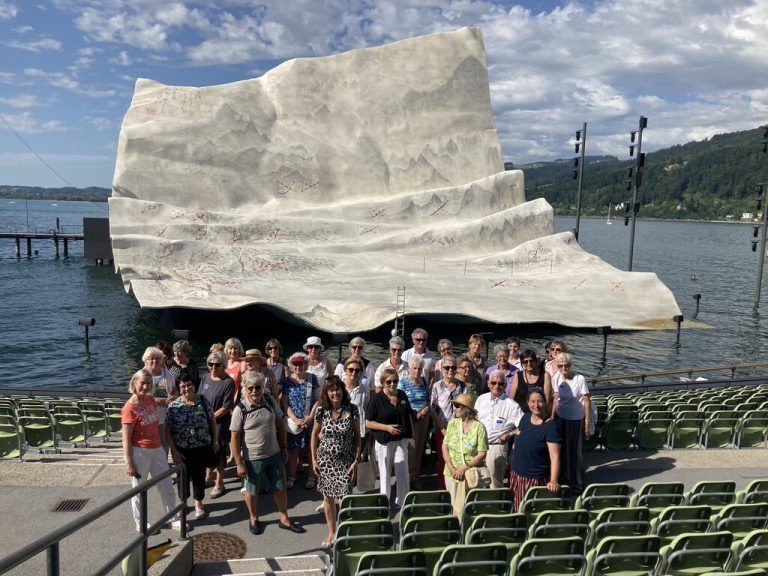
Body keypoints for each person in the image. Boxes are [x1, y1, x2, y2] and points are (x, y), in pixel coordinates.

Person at [231, 371, 306, 535]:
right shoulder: (240, 409)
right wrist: (238, 463)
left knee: (280, 488)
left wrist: (284, 448)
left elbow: (280, 424)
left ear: (263, 387)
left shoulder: (270, 401)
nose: (254, 391)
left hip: (274, 454)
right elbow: (235, 438)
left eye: (258, 387)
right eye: (250, 388)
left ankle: (284, 518)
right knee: (252, 490)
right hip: (252, 458)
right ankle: (253, 518)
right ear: (245, 388)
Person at [121, 369, 177, 532]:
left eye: (149, 383)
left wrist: (165, 400)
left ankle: (173, 517)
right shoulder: (129, 408)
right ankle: (140, 522)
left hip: (157, 449)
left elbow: (156, 400)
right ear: (134, 384)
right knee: (139, 489)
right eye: (142, 383)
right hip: (140, 452)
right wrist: (129, 462)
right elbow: (126, 438)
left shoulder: (150, 399)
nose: (145, 386)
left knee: (166, 484)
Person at [310, 376, 361, 549]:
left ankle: (346, 532)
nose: (335, 393)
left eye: (337, 389)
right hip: (325, 461)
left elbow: (357, 437)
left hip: (346, 462)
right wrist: (314, 459)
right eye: (331, 390)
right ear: (327, 393)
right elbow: (314, 436)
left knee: (345, 499)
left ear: (342, 390)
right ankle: (331, 532)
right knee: (328, 497)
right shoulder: (321, 411)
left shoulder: (352, 410)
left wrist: (356, 460)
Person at [165, 373, 218, 521]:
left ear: (194, 386)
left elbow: (212, 421)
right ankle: (183, 505)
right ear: (178, 388)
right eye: (183, 386)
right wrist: (174, 451)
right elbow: (168, 431)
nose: (187, 388)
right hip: (182, 450)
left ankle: (198, 505)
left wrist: (215, 441)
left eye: (189, 385)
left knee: (199, 477)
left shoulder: (203, 400)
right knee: (182, 478)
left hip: (202, 447)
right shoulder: (174, 405)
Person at [365, 368, 413, 507]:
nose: (392, 384)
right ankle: (384, 502)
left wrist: (411, 435)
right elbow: (368, 422)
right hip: (384, 441)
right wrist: (387, 428)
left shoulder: (402, 395)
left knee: (403, 472)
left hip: (401, 440)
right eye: (388, 382)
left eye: (395, 381)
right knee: (385, 474)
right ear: (382, 383)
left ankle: (402, 501)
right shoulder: (376, 399)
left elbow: (408, 414)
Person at [509, 389, 561, 511]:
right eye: (532, 401)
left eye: (540, 401)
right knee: (517, 509)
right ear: (527, 403)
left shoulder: (550, 427)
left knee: (529, 511)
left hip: (534, 478)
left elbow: (555, 457)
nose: (536, 405)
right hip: (516, 474)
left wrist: (554, 480)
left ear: (546, 403)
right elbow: (518, 437)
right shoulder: (525, 418)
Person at [475, 370, 523, 488]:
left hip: (497, 447)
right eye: (493, 382)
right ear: (488, 383)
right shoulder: (481, 399)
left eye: (501, 384)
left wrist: (510, 434)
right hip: (477, 446)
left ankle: (496, 505)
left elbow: (524, 427)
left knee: (494, 484)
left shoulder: (512, 405)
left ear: (505, 386)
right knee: (476, 480)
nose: (497, 386)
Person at [441, 393, 488, 514]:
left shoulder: (479, 427)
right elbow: (444, 446)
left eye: (457, 406)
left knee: (469, 508)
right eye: (454, 405)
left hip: (469, 474)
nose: (454, 408)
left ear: (467, 409)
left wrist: (465, 467)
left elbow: (482, 453)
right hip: (451, 473)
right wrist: (452, 468)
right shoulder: (452, 423)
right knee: (454, 507)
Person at [551, 352, 590, 494]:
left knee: (574, 451)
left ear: (570, 365)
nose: (563, 368)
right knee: (562, 450)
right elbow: (556, 399)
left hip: (575, 419)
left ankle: (577, 482)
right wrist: (552, 417)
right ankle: (563, 477)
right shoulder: (556, 377)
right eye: (560, 365)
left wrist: (586, 422)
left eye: (565, 365)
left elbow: (586, 401)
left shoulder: (580, 379)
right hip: (561, 418)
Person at [199, 350, 234, 498]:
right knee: (207, 449)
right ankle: (208, 477)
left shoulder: (228, 382)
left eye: (217, 365)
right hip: (205, 420)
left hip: (219, 423)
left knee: (219, 451)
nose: (214, 367)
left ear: (223, 365)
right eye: (211, 364)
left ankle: (220, 483)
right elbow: (199, 397)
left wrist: (210, 418)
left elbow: (226, 407)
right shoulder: (205, 378)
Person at [282, 352, 319, 489]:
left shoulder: (312, 378)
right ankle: (292, 476)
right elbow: (285, 403)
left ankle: (311, 476)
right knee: (293, 449)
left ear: (306, 364)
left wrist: (310, 417)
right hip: (294, 421)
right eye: (295, 364)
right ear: (291, 366)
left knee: (311, 449)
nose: (298, 366)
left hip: (309, 420)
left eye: (301, 364)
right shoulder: (286, 382)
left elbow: (318, 400)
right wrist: (295, 419)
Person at [429, 354, 466, 489]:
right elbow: (433, 410)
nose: (450, 370)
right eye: (447, 367)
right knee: (443, 459)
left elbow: (466, 408)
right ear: (442, 369)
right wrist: (443, 429)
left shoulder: (462, 386)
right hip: (442, 428)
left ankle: (457, 486)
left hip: (460, 430)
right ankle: (442, 487)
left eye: (453, 367)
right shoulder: (436, 386)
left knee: (459, 457)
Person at [399, 355, 430, 489]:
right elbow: (400, 403)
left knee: (419, 447)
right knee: (410, 448)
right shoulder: (403, 382)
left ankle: (414, 477)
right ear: (409, 368)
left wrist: (426, 409)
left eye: (420, 368)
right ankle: (404, 478)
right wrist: (415, 414)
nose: (417, 371)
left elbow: (429, 398)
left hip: (424, 416)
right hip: (411, 418)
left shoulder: (423, 381)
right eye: (415, 368)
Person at [142, 346, 177, 451]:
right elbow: (139, 395)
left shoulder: (167, 374)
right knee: (149, 445)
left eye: (157, 358)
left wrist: (174, 396)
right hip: (147, 419)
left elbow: (175, 390)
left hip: (164, 418)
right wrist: (160, 401)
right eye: (151, 358)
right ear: (146, 360)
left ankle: (163, 466)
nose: (154, 361)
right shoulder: (142, 375)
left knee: (164, 445)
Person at [341, 357, 370, 462]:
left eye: (357, 370)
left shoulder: (364, 389)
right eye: (351, 369)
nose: (354, 372)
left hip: (359, 431)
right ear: (345, 370)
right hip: (341, 431)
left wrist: (368, 436)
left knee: (356, 461)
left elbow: (366, 412)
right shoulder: (339, 387)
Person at [224, 337, 246, 402]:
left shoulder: (242, 364)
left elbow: (244, 384)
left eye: (235, 348)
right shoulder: (224, 363)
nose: (233, 351)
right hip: (223, 397)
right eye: (230, 348)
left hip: (235, 399)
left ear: (239, 350)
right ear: (227, 350)